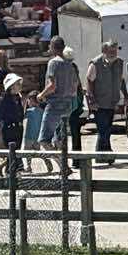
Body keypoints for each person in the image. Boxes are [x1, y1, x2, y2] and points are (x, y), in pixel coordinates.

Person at [36, 38, 77, 166]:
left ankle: (63, 166)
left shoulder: (53, 63)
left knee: (44, 140)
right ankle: (63, 167)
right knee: (58, 138)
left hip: (55, 103)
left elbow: (52, 85)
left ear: (53, 47)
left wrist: (41, 95)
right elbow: (75, 86)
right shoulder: (69, 64)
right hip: (68, 103)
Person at [85, 39, 127, 159]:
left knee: (107, 128)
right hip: (99, 102)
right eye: (110, 51)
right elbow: (89, 80)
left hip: (112, 102)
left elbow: (121, 80)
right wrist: (91, 99)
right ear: (104, 51)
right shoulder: (96, 63)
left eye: (115, 51)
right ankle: (105, 154)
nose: (113, 53)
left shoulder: (119, 62)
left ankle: (102, 154)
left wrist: (126, 96)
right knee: (103, 129)